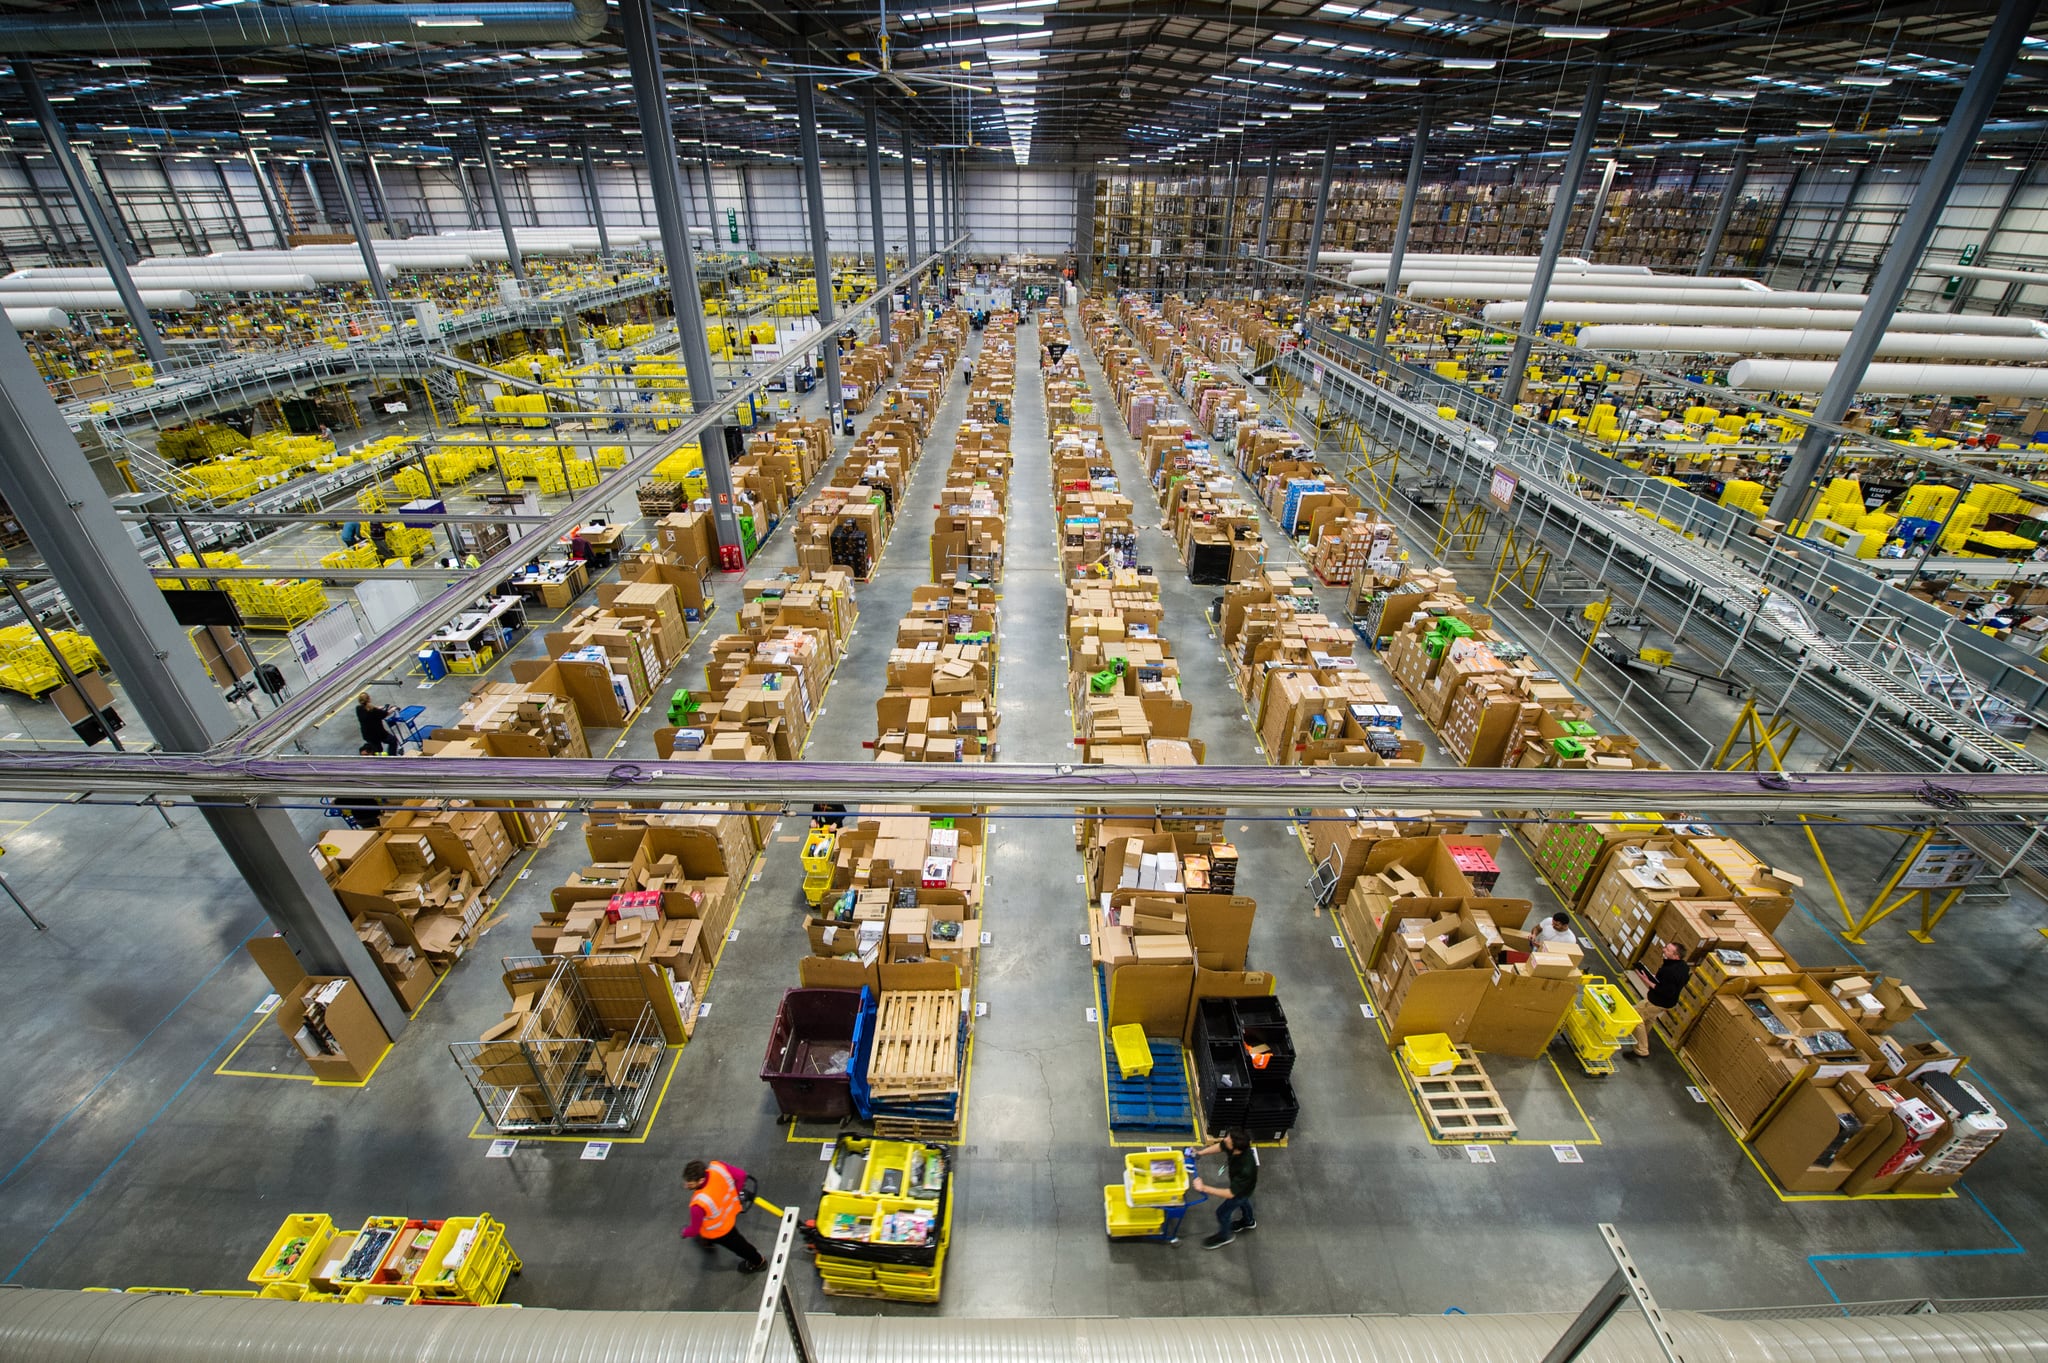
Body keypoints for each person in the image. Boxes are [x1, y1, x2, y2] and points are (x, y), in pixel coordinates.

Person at [681, 1158, 766, 1274]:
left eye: (689, 1183)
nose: (685, 1186)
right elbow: (741, 1175)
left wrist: (685, 1232)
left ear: (701, 1181)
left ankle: (758, 1262)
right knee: (715, 1237)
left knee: (739, 1246)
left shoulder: (698, 1204)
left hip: (720, 1230)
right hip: (728, 1213)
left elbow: (694, 1230)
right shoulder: (717, 1167)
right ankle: (708, 1242)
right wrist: (735, 1194)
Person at [1191, 1129, 1257, 1249]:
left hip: (1239, 1191)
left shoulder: (1245, 1168)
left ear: (1235, 1148)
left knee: (1222, 1213)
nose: (1225, 1139)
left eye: (1228, 1140)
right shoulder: (1235, 1147)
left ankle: (1225, 1236)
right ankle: (1248, 1221)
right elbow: (1220, 1146)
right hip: (1243, 1187)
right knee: (1245, 1200)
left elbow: (1231, 1193)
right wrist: (1200, 1153)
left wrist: (1204, 1188)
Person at [1632, 942, 1692, 1058]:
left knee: (1635, 1017)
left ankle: (1642, 1049)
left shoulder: (1670, 971)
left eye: (1668, 950)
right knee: (1649, 1018)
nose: (1664, 950)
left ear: (1676, 956)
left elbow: (1665, 990)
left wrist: (1645, 979)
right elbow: (1676, 983)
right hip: (1667, 1002)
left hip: (1658, 1001)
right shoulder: (1683, 966)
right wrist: (1656, 978)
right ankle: (1639, 1039)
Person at [355, 691, 399, 757]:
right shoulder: (374, 711)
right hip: (379, 733)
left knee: (378, 750)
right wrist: (393, 709)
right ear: (369, 699)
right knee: (393, 741)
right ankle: (391, 757)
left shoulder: (358, 709)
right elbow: (385, 714)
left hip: (367, 735)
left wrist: (378, 708)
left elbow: (368, 708)